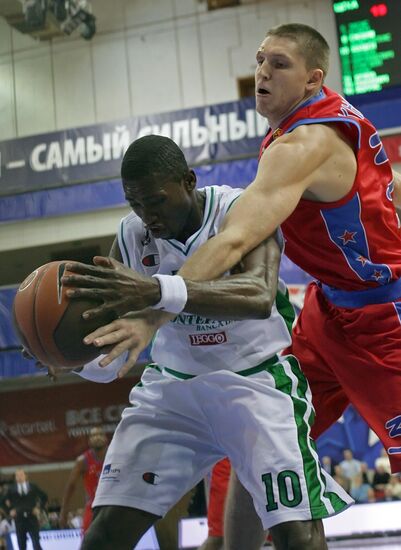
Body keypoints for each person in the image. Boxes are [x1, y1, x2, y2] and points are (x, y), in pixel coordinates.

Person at [60, 22, 401, 547]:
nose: (262, 72)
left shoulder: (301, 144)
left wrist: (155, 308)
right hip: (328, 308)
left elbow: (233, 243)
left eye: (279, 64)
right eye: (261, 60)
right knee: (263, 445)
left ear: (314, 80)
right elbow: (384, 188)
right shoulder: (311, 126)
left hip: (385, 318)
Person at [60, 134, 352, 550]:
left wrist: (159, 292)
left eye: (156, 200)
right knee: (104, 535)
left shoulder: (239, 210)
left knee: (299, 538)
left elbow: (258, 294)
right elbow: (121, 343)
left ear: (189, 181)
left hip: (255, 384)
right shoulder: (131, 237)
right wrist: (71, 356)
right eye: (135, 203)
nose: (147, 215)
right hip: (173, 391)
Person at [59, 426, 107, 532]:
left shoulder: (115, 456)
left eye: (100, 434)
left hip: (112, 505)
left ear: (106, 438)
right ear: (89, 441)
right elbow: (71, 486)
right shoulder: (82, 461)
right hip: (93, 506)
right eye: (93, 435)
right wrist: (64, 511)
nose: (97, 437)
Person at [6, 470, 47, 550]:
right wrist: (10, 510)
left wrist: (39, 508)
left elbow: (44, 496)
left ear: (25, 476)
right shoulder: (11, 489)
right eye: (17, 475)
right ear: (15, 478)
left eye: (21, 475)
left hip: (32, 516)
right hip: (19, 518)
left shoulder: (33, 486)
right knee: (21, 544)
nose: (19, 477)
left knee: (36, 543)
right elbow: (4, 501)